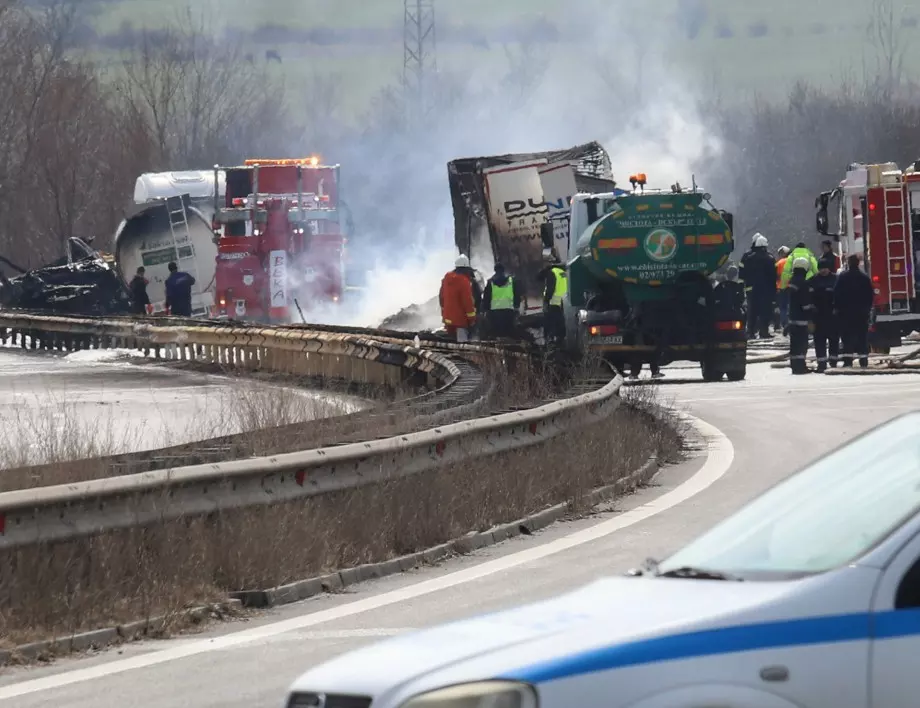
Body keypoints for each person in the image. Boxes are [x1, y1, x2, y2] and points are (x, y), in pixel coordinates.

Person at [834, 254, 874, 368]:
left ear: (849, 263)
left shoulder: (842, 277)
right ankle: (863, 361)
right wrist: (867, 309)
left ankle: (847, 361)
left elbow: (836, 294)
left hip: (845, 314)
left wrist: (837, 309)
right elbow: (870, 296)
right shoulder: (864, 278)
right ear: (858, 263)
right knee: (862, 337)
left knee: (847, 338)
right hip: (861, 314)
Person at [739, 233, 776, 339]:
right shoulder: (769, 258)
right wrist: (774, 292)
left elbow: (742, 273)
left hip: (751, 289)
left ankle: (750, 332)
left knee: (752, 311)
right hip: (766, 290)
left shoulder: (747, 257)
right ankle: (764, 331)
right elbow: (773, 276)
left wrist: (741, 287)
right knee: (765, 310)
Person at [809, 254, 839, 372]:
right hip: (818, 316)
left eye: (825, 268)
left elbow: (840, 296)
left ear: (829, 268)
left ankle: (833, 361)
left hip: (832, 315)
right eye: (821, 268)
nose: (823, 270)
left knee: (834, 340)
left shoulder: (836, 279)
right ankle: (821, 364)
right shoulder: (813, 280)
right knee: (819, 341)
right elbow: (808, 297)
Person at [786, 256, 816, 374]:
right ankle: (800, 366)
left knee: (794, 344)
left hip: (792, 318)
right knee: (802, 344)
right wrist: (811, 312)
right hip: (802, 319)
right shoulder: (803, 283)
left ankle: (795, 365)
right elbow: (805, 303)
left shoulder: (792, 281)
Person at [439, 255, 477, 342]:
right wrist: (472, 318)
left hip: (448, 318)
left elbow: (441, 297)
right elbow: (467, 301)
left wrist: (443, 313)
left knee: (451, 343)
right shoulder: (464, 281)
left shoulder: (446, 278)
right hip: (460, 320)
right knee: (462, 345)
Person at [480, 263, 522, 339]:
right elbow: (517, 294)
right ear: (504, 270)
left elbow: (486, 298)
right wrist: (516, 306)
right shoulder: (511, 281)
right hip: (509, 311)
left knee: (496, 334)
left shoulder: (490, 282)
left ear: (495, 270)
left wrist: (485, 309)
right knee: (509, 333)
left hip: (494, 313)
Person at [539, 252, 567, 346]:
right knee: (560, 325)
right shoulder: (563, 272)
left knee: (549, 324)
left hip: (553, 303)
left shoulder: (552, 272)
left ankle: (549, 343)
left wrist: (546, 300)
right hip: (563, 303)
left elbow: (550, 288)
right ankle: (560, 342)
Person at [774, 245, 790, 335]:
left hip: (781, 287)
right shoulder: (793, 262)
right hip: (791, 287)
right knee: (790, 306)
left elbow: (775, 277)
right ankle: (790, 323)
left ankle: (784, 323)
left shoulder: (778, 263)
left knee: (783, 307)